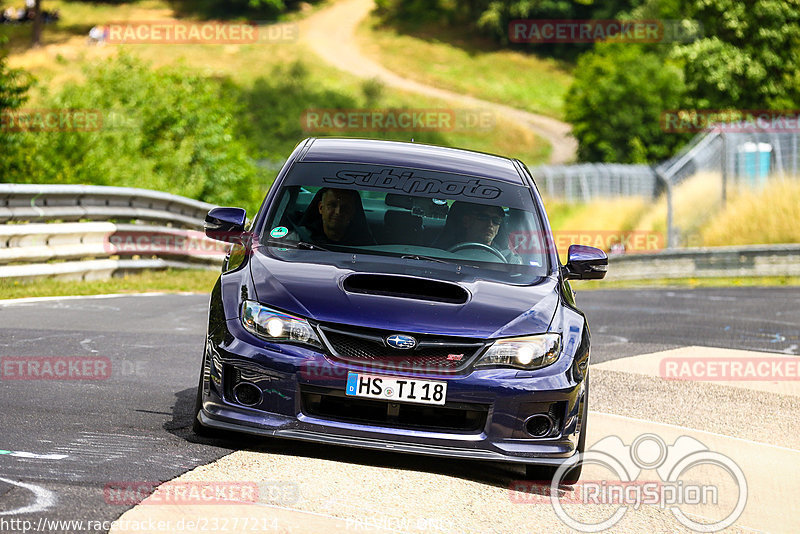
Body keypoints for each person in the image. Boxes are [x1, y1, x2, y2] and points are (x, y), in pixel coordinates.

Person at [435, 201, 521, 263]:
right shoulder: (440, 253)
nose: (490, 224)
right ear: (466, 221)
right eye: (483, 217)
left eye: (496, 220)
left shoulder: (507, 259)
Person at [293, 188, 375, 246]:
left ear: (352, 213)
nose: (338, 212)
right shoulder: (298, 239)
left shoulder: (364, 245)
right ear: (321, 208)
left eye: (345, 208)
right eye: (332, 205)